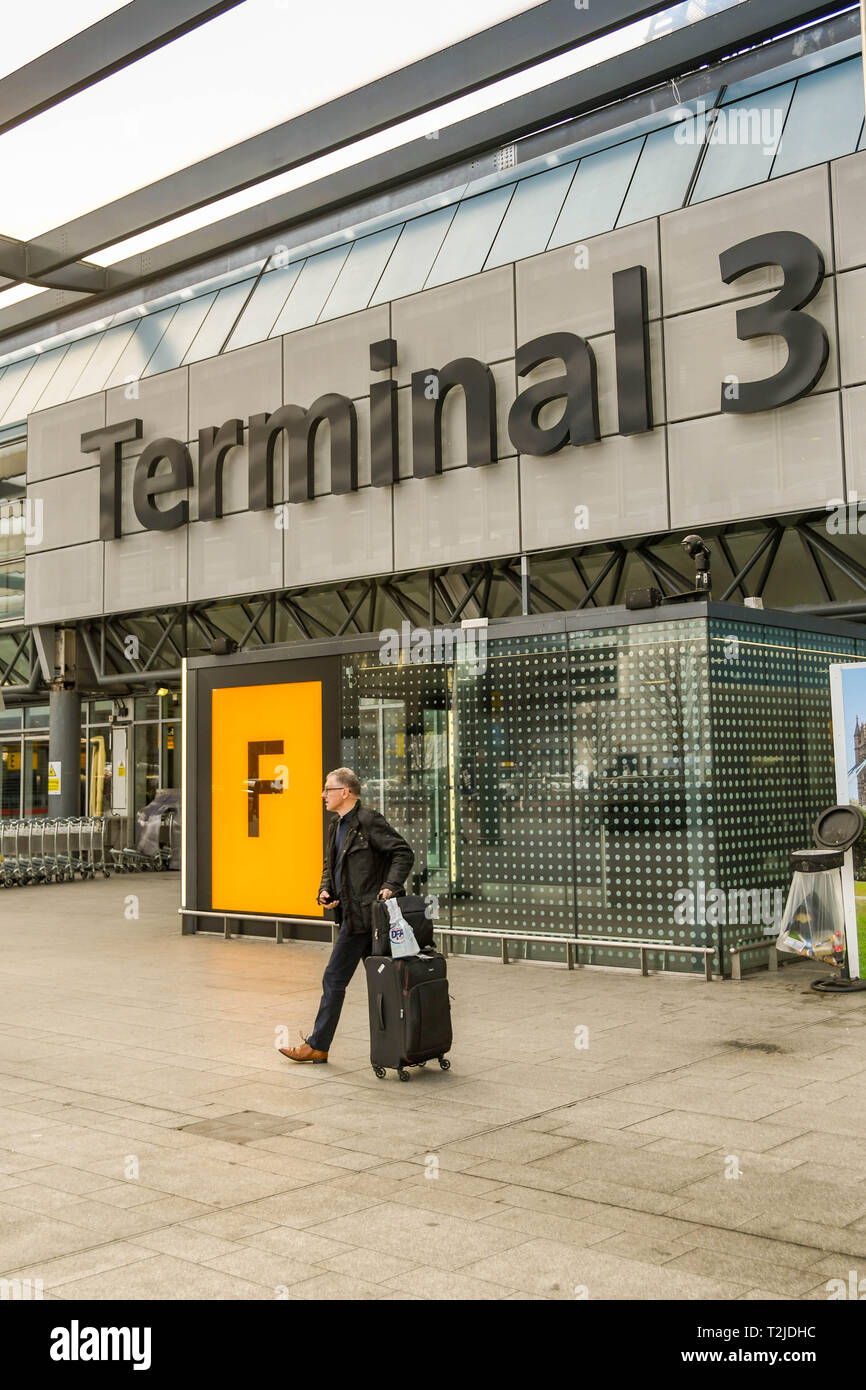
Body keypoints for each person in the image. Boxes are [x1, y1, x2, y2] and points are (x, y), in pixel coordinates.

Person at [279, 767, 414, 1063]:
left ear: (345, 792)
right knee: (388, 983)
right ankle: (409, 1045)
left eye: (328, 789)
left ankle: (318, 1045)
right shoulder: (335, 825)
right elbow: (331, 867)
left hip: (365, 919)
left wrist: (390, 886)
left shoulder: (368, 821)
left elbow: (402, 852)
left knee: (334, 979)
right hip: (353, 915)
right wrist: (325, 890)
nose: (322, 794)